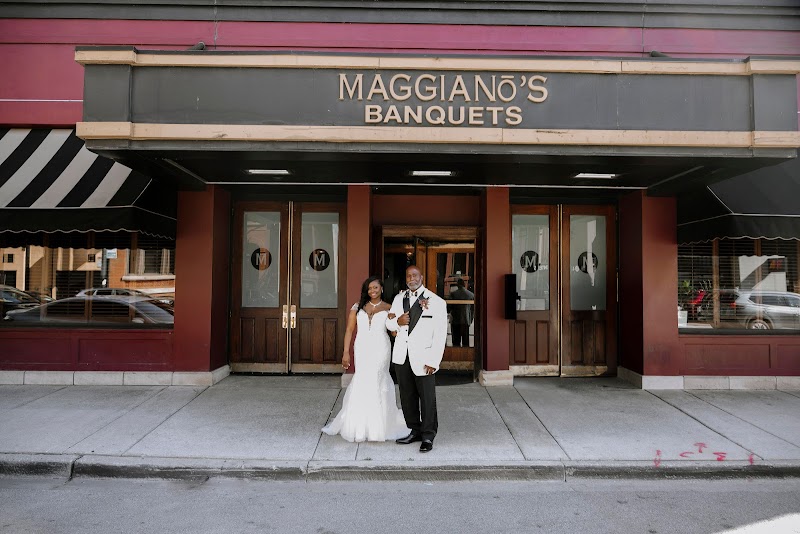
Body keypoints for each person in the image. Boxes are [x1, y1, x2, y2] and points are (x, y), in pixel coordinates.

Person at [322, 276, 409, 442]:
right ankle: (360, 423)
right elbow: (349, 330)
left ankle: (380, 426)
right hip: (361, 347)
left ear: (381, 289)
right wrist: (345, 352)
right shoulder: (358, 307)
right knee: (362, 378)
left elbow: (393, 331)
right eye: (369, 288)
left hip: (381, 347)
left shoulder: (389, 307)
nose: (372, 291)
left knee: (378, 378)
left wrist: (398, 323)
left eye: (375, 287)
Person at [385, 265, 448, 453]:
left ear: (421, 277)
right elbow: (388, 322)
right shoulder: (398, 299)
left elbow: (440, 335)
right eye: (408, 276)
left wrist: (433, 360)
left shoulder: (436, 302)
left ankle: (428, 436)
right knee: (407, 396)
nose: (411, 278)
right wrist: (397, 322)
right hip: (402, 356)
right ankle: (415, 430)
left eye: (414, 275)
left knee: (427, 398)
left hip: (424, 358)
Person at [449, 278, 474, 347]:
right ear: (464, 285)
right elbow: (472, 309)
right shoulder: (471, 295)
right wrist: (470, 319)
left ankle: (456, 356)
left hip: (455, 319)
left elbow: (449, 307)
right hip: (466, 320)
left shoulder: (453, 294)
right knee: (466, 342)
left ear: (458, 285)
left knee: (456, 342)